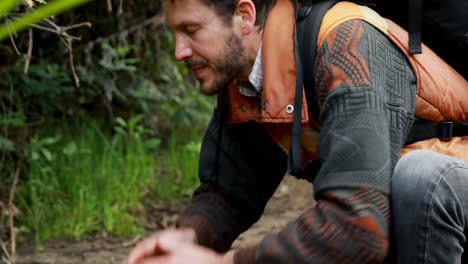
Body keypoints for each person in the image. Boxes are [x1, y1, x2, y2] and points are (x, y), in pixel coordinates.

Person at [125, 0, 468, 263]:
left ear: (244, 16)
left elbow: (357, 229)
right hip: (407, 224)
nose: (179, 51)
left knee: (421, 179)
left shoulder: (347, 42)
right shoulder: (246, 80)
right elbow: (228, 194)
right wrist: (188, 239)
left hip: (448, 198)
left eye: (192, 29)